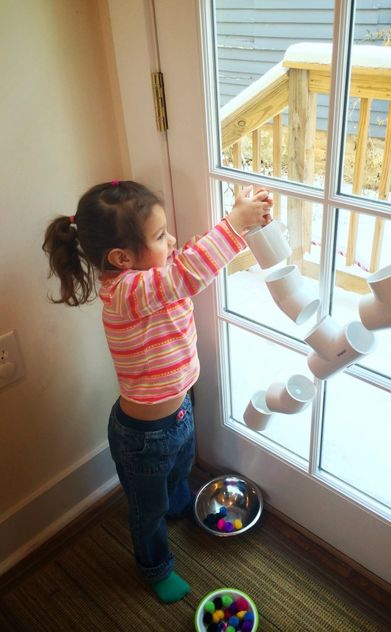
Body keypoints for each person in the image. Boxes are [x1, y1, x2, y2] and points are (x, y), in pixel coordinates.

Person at [42, 180, 272, 603]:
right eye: (161, 235)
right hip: (143, 438)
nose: (172, 242)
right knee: (145, 511)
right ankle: (154, 566)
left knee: (178, 473)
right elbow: (186, 273)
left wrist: (243, 224)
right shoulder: (127, 292)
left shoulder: (149, 279)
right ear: (121, 258)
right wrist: (234, 226)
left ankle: (179, 504)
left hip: (179, 412)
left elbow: (185, 262)